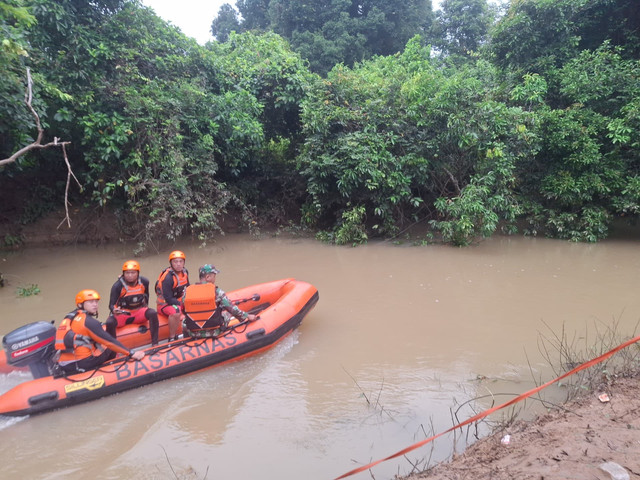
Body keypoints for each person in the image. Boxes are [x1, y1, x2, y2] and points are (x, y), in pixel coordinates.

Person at [55, 289, 145, 373]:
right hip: (81, 362)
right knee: (109, 346)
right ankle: (113, 366)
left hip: (64, 362)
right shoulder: (89, 322)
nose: (95, 304)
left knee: (99, 344)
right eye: (90, 302)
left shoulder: (71, 316)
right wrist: (131, 353)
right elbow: (109, 342)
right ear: (80, 304)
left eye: (96, 302)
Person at [182, 264, 257, 338]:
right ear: (208, 277)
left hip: (193, 333)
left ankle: (186, 339)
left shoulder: (187, 292)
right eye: (214, 276)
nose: (215, 279)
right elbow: (232, 309)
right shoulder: (216, 291)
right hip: (214, 332)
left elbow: (184, 311)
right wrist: (247, 316)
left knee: (184, 321)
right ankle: (241, 327)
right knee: (227, 313)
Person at [105, 260, 159, 346]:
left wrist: (145, 309)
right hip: (123, 314)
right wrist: (114, 310)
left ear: (138, 273)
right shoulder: (117, 286)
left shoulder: (144, 282)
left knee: (152, 313)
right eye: (127, 273)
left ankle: (155, 343)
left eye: (133, 273)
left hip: (138, 312)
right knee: (110, 322)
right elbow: (111, 305)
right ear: (123, 274)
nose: (130, 275)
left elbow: (146, 296)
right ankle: (112, 350)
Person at [155, 250, 190, 341]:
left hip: (178, 300)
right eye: (175, 262)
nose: (178, 264)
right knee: (176, 311)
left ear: (184, 262)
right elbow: (169, 299)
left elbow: (188, 288)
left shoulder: (185, 272)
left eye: (180, 261)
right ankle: (171, 337)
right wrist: (183, 303)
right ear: (171, 263)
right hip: (165, 304)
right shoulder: (168, 278)